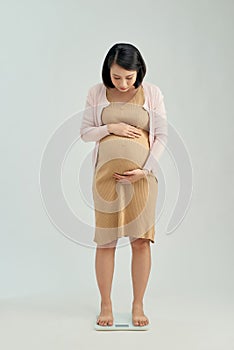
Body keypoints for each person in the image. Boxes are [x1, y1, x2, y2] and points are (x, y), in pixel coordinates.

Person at [80, 43, 168, 327]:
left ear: (138, 71)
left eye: (129, 77)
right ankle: (105, 305)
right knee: (105, 242)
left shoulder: (151, 93)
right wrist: (110, 128)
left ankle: (137, 305)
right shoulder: (96, 93)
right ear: (108, 70)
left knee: (141, 241)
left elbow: (162, 137)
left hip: (142, 179)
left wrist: (145, 170)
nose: (123, 83)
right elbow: (85, 133)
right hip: (106, 180)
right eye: (117, 77)